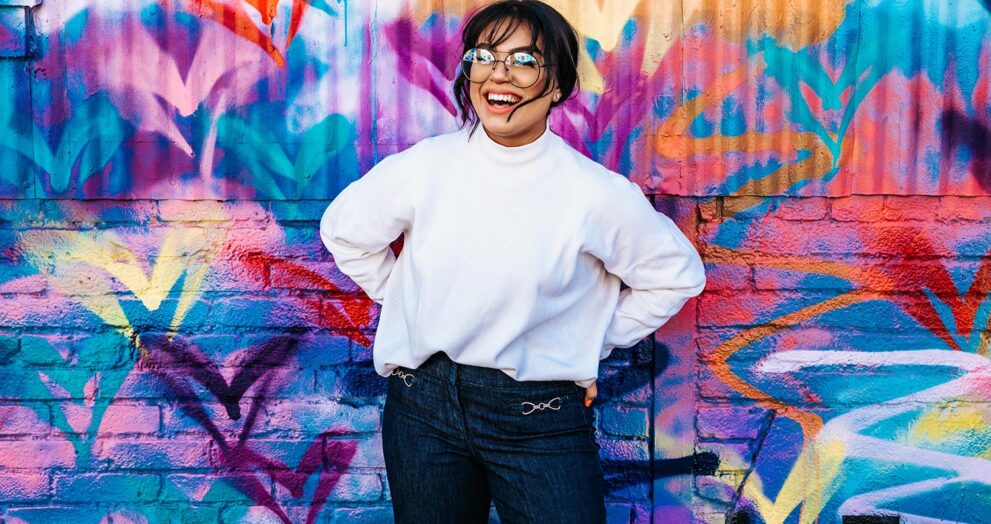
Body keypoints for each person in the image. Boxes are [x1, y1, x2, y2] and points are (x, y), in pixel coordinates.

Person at [319, 1, 705, 522]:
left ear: (557, 86)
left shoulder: (593, 193)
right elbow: (345, 232)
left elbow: (675, 277)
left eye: (524, 61)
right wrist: (410, 303)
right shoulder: (426, 167)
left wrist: (587, 341)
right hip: (421, 409)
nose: (498, 74)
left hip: (539, 418)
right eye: (484, 56)